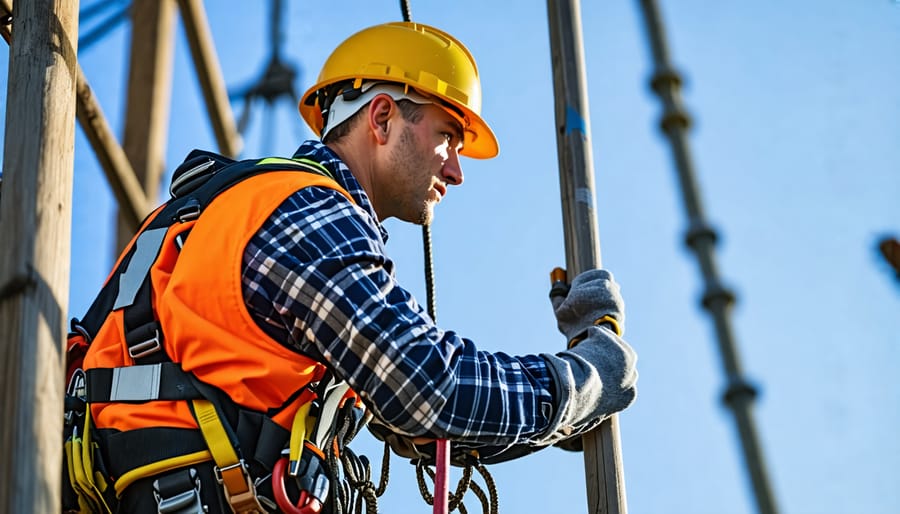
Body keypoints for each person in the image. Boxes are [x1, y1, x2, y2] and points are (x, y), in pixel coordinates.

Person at [67, 21, 637, 514]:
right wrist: (589, 378)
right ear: (383, 117)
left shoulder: (220, 209)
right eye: (448, 137)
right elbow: (431, 390)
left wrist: (562, 421)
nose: (458, 172)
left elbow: (410, 416)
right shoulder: (308, 211)